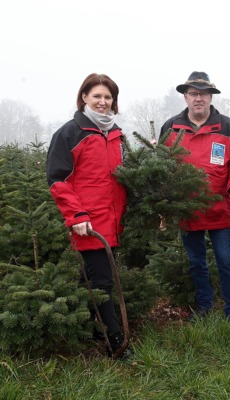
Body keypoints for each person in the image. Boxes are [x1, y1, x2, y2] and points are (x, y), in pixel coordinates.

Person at [159, 71, 230, 333]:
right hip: (187, 211)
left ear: (211, 97)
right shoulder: (171, 127)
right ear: (185, 97)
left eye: (203, 94)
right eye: (193, 93)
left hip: (220, 209)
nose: (198, 98)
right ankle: (203, 307)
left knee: (226, 261)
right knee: (196, 262)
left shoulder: (229, 127)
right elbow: (162, 166)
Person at [46, 73, 130, 358]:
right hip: (88, 223)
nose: (103, 102)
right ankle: (115, 341)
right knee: (103, 282)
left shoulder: (117, 134)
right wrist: (77, 214)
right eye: (97, 96)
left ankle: (90, 327)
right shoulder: (71, 133)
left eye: (108, 97)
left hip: (115, 220)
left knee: (95, 278)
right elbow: (58, 180)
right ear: (84, 97)